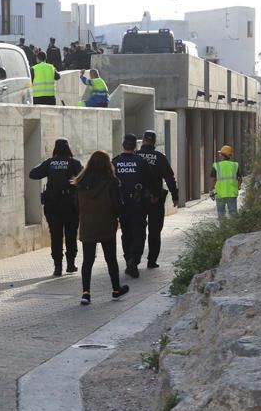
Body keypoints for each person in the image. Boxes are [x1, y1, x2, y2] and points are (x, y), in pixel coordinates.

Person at [72, 150, 129, 305]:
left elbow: (76, 206)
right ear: (107, 164)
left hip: (87, 225)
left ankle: (86, 293)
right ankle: (116, 290)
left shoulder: (80, 183)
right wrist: (121, 218)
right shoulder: (111, 182)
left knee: (87, 260)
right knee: (111, 259)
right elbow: (118, 205)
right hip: (107, 225)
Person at [29, 138, 82, 275]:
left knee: (56, 235)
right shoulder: (74, 163)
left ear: (55, 149)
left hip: (53, 205)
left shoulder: (49, 163)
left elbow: (33, 174)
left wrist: (47, 164)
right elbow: (84, 177)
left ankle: (57, 266)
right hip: (70, 205)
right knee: (71, 234)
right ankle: (71, 264)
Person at [113, 133, 156, 278]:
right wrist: (154, 195)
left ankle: (128, 260)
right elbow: (152, 180)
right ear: (135, 146)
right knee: (139, 233)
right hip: (138, 204)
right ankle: (134, 260)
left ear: (123, 145)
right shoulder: (141, 161)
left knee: (126, 233)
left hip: (122, 204)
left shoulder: (115, 162)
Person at [137, 130, 180, 268]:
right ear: (154, 142)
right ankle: (151, 260)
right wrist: (175, 195)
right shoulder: (159, 156)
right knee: (155, 231)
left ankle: (134, 259)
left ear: (143, 140)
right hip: (156, 199)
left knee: (138, 230)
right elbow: (169, 178)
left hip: (138, 200)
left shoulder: (135, 156)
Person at [211, 145, 243, 218]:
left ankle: (223, 229)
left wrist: (211, 190)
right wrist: (238, 186)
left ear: (222, 155)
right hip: (232, 193)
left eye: (220, 154)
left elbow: (213, 179)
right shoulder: (235, 165)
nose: (219, 155)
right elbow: (240, 178)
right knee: (233, 213)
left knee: (221, 213)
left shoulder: (216, 165)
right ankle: (234, 228)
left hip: (220, 193)